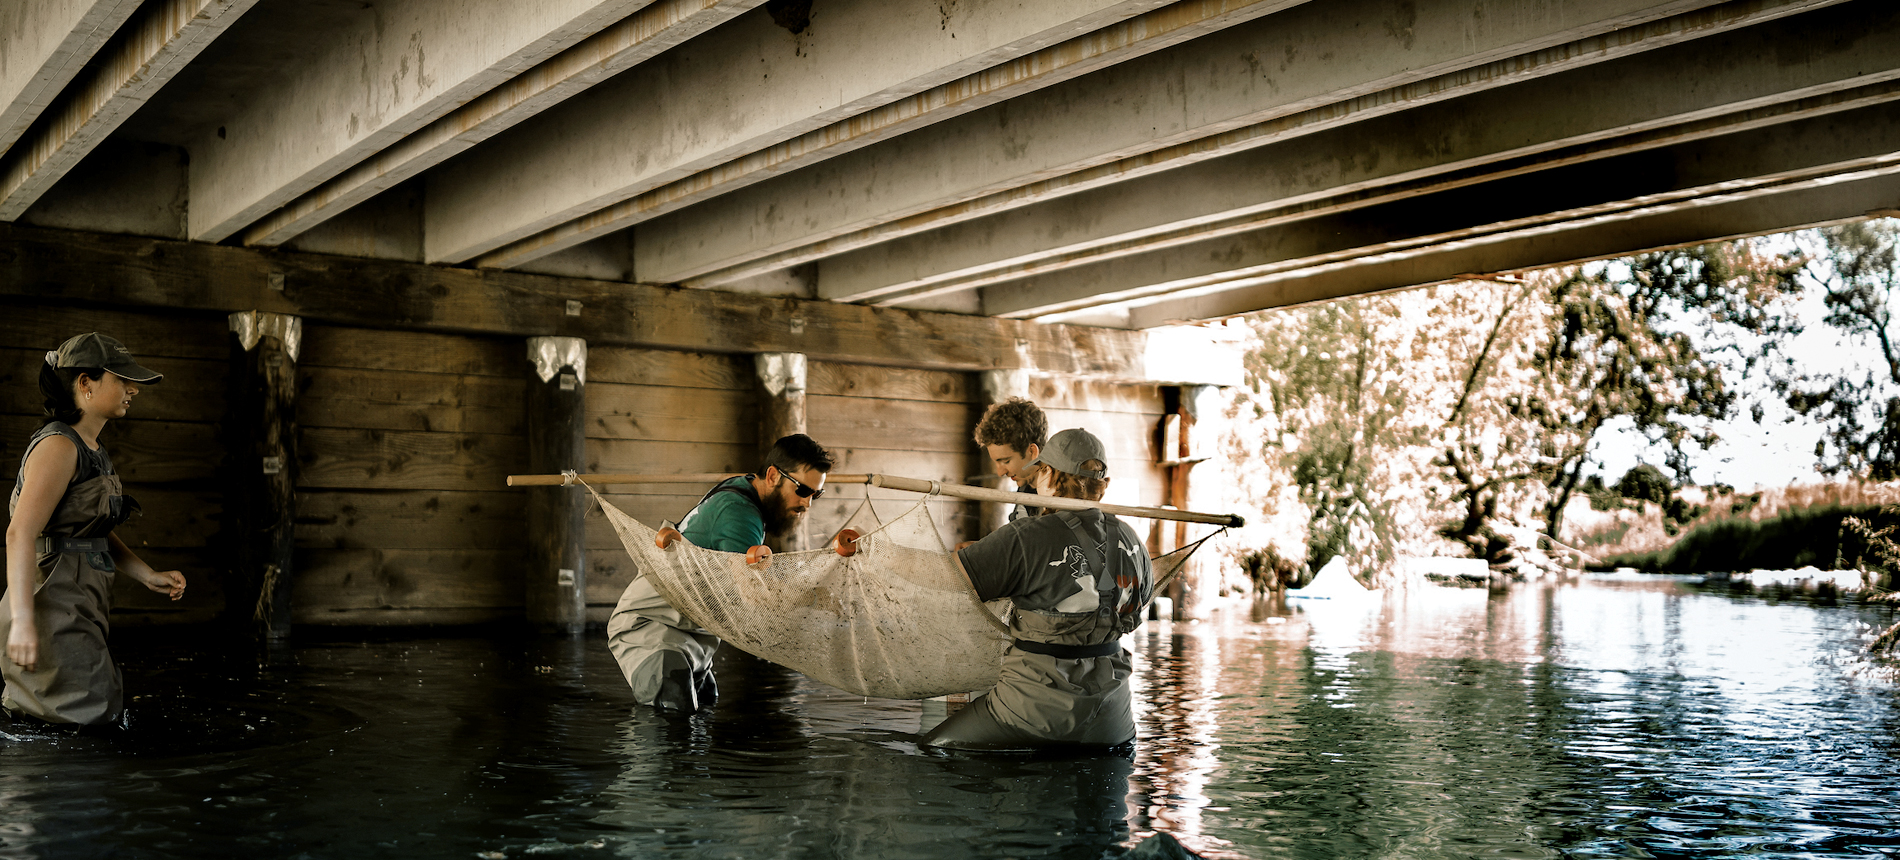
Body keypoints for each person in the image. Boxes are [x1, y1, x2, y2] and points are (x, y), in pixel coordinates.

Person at [923, 428, 1154, 750]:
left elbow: (942, 578)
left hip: (1032, 711)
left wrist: (872, 549)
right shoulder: (1131, 537)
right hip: (1113, 720)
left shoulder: (1026, 535)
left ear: (1048, 473)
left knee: (936, 747)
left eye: (1041, 470)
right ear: (1103, 484)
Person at [3, 333, 186, 726]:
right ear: (85, 384)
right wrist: (22, 620)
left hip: (81, 603)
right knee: (75, 720)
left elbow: (90, 530)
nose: (132, 389)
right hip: (51, 604)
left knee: (95, 712)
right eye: (121, 379)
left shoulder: (93, 449)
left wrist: (145, 574)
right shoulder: (59, 446)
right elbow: (19, 534)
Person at [606, 434, 834, 712]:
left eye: (816, 494)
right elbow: (754, 596)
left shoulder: (746, 487)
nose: (807, 504)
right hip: (651, 629)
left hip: (694, 637)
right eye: (802, 490)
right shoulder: (739, 512)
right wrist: (822, 601)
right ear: (773, 475)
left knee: (705, 706)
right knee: (671, 725)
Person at [974, 396, 1048, 524]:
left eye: (1006, 461)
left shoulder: (1062, 497)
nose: (1000, 473)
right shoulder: (1025, 490)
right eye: (996, 462)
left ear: (1032, 452)